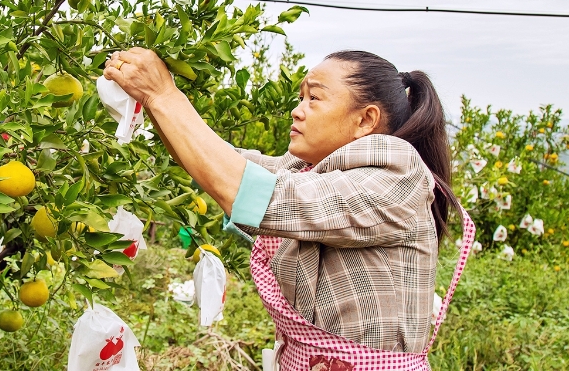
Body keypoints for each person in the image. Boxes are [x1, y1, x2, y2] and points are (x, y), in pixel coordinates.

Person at [103, 48, 475, 371]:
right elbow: (226, 165)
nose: (297, 111)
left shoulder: (394, 174)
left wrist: (165, 95)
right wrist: (151, 101)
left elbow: (250, 192)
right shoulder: (312, 172)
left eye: (314, 99)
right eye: (301, 97)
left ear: (366, 120)